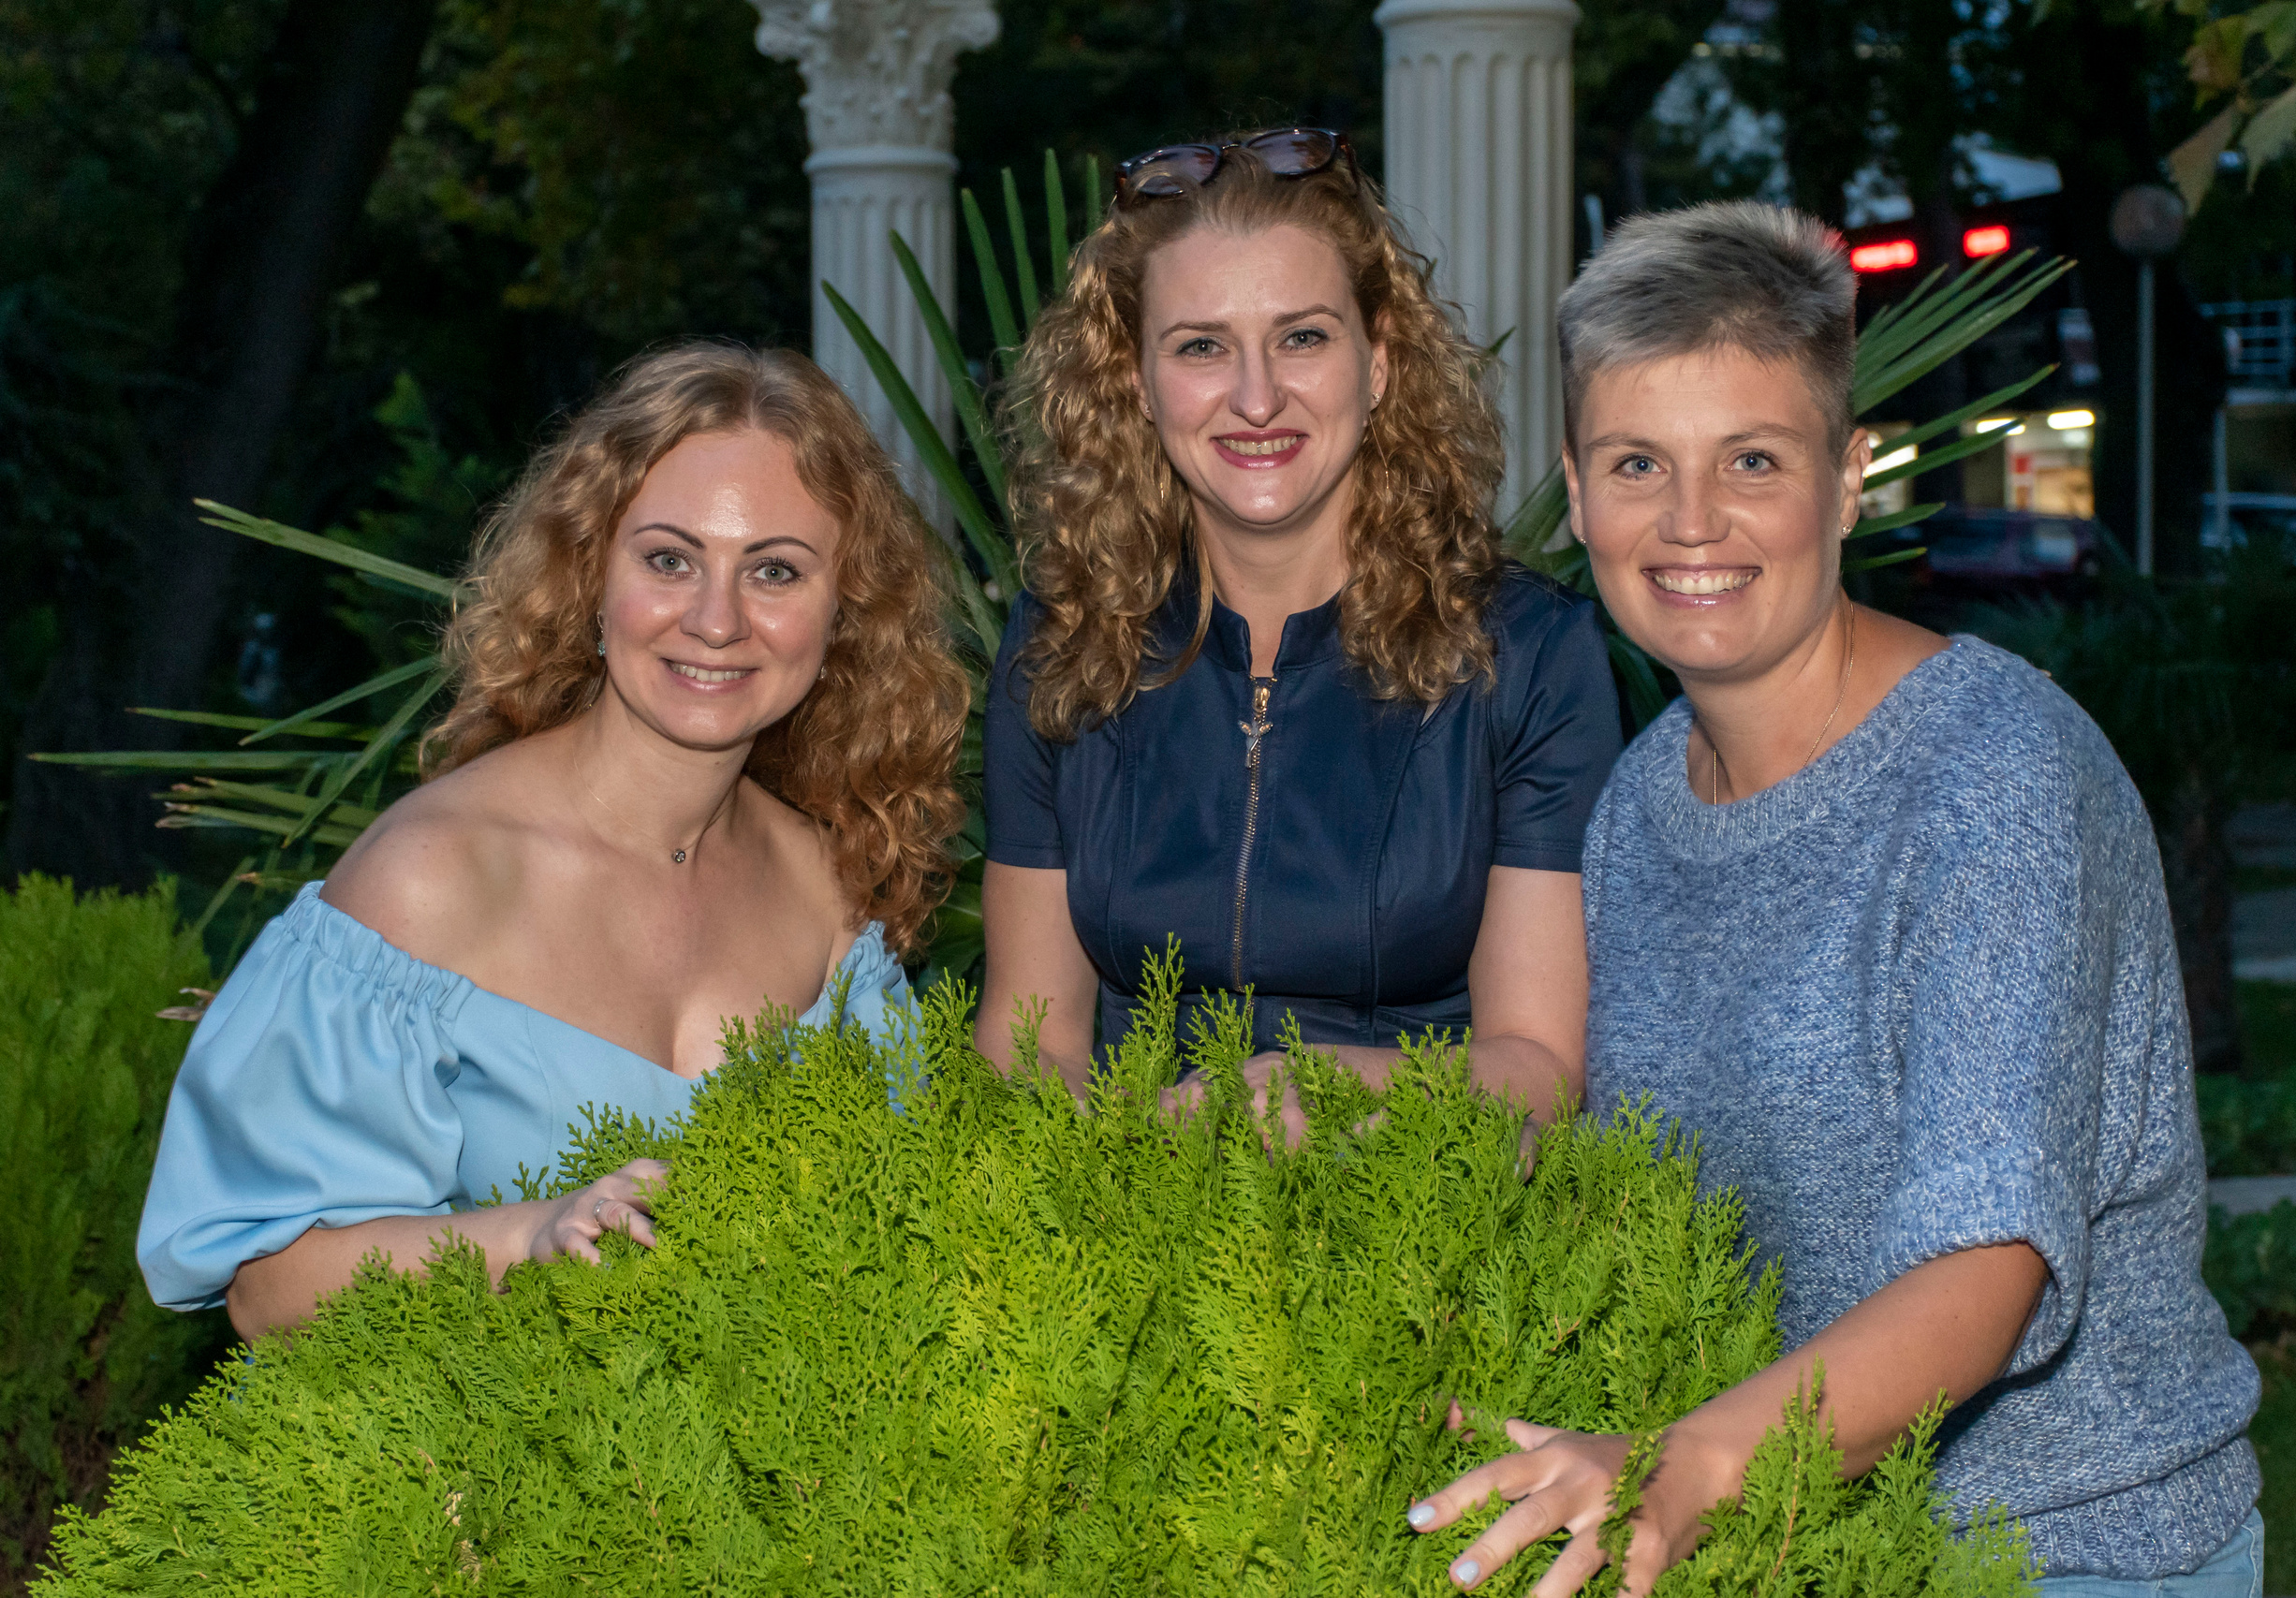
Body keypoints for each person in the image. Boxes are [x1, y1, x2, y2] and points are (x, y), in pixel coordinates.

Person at [1406, 203, 2260, 1596]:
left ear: (1851, 477)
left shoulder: (1995, 776)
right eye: (1638, 463)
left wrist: (1675, 1466)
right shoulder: (1636, 804)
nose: (1691, 521)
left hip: (2067, 1544)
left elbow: (1985, 1270)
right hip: (1791, 1531)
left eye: (1753, 458)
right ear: (1575, 489)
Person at [137, 342, 968, 1340]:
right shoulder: (432, 881)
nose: (715, 620)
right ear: (590, 574)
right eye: (669, 559)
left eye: (775, 572)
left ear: (845, 613)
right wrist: (525, 1238)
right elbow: (267, 1289)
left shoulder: (833, 904)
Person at [976, 129, 1622, 1134]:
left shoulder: (1526, 654)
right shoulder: (1061, 645)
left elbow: (1537, 1065)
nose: (1256, 396)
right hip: (1122, 1221)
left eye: (1302, 337)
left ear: (1378, 361)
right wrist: (1149, 1155)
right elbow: (1029, 1052)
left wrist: (1311, 1090)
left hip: (1431, 1229)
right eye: (1200, 347)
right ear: (1137, 384)